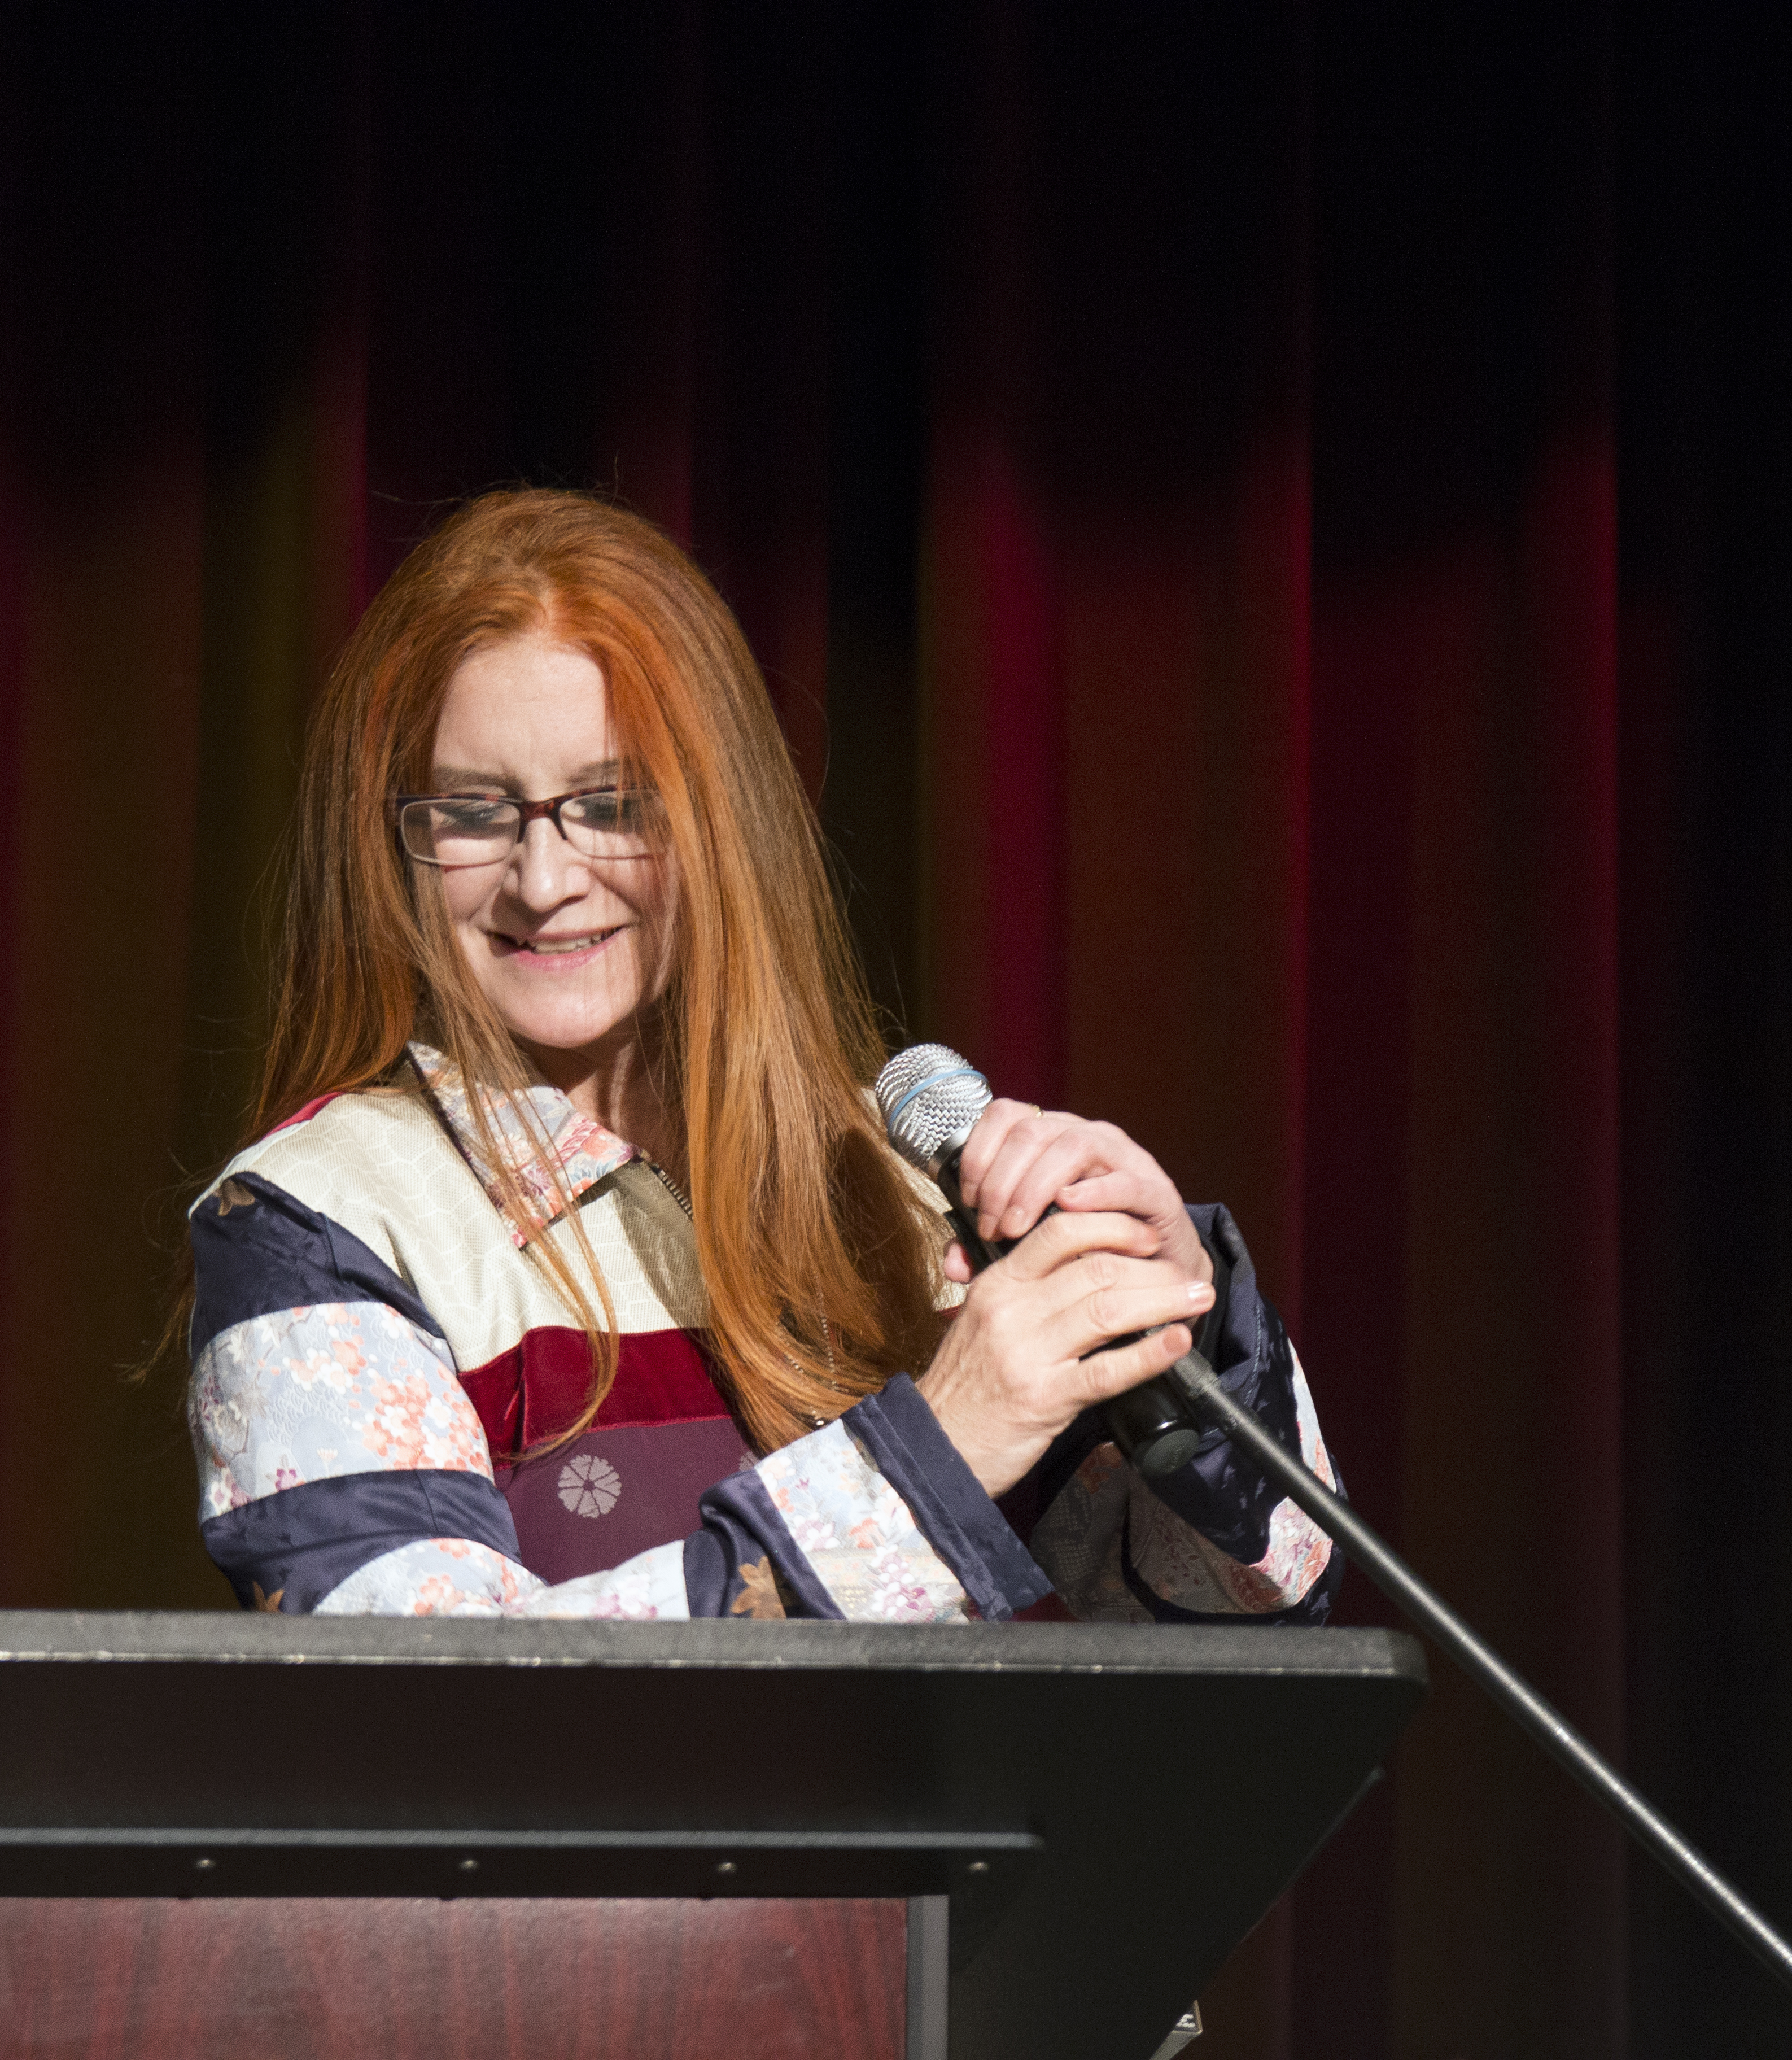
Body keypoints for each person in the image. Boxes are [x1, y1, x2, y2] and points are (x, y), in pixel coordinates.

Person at [181, 488, 1339, 1623]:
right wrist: (938, 1457)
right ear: (399, 846)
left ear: (721, 823)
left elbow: (1248, 1612)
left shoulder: (902, 1189)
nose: (543, 882)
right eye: (476, 812)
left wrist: (1176, 1327)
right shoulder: (317, 1220)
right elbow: (426, 1719)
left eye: (614, 803)